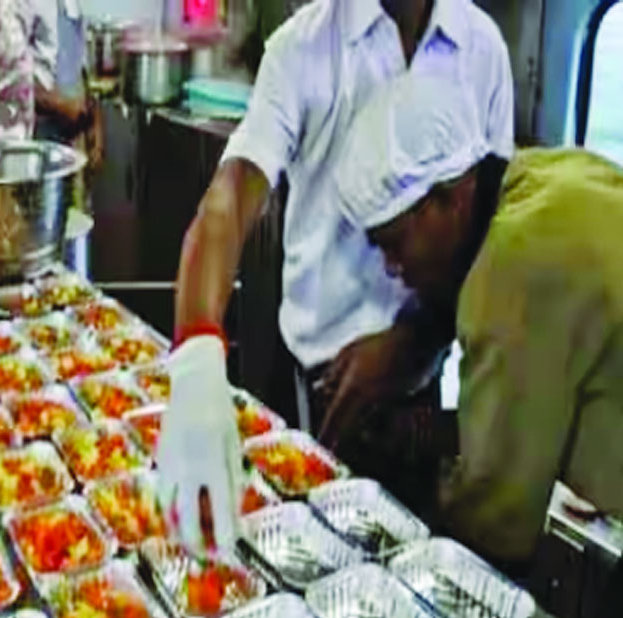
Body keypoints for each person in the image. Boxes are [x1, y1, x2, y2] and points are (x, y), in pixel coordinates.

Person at [158, 0, 513, 551]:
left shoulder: (481, 48)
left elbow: (488, 230)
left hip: (416, 400)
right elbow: (229, 198)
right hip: (307, 393)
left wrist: (414, 341)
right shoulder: (304, 48)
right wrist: (198, 359)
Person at [333, 73, 623, 581]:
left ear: (452, 200)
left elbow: (494, 523)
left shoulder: (517, 262)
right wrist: (418, 416)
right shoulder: (545, 176)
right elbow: (526, 403)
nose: (392, 268)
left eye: (395, 244)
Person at [30, 0, 103, 170]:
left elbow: (80, 67)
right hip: (36, 136)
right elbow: (10, 83)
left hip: (73, 134)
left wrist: (96, 123)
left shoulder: (72, 5)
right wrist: (61, 104)